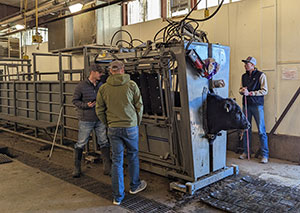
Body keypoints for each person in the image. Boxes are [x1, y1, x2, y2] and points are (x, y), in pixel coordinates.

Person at [96, 60, 146, 205]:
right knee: (133, 156)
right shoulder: (131, 85)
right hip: (130, 127)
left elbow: (99, 109)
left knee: (117, 161)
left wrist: (108, 123)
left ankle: (117, 197)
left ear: (110, 71)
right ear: (123, 70)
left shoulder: (103, 88)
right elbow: (139, 106)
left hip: (113, 128)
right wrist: (136, 122)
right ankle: (135, 186)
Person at [72, 63, 111, 178]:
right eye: (99, 73)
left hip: (100, 119)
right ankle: (77, 167)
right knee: (81, 143)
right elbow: (75, 101)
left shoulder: (102, 85)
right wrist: (86, 105)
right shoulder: (81, 86)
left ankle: (107, 167)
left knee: (104, 141)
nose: (101, 75)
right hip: (86, 119)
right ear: (92, 72)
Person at [239, 56, 269, 164]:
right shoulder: (243, 76)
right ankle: (246, 152)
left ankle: (265, 155)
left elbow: (265, 90)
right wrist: (242, 91)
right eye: (245, 63)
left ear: (253, 65)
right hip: (246, 105)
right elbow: (240, 88)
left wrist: (251, 93)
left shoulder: (261, 75)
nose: (245, 65)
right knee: (246, 129)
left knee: (261, 130)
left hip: (257, 105)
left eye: (247, 63)